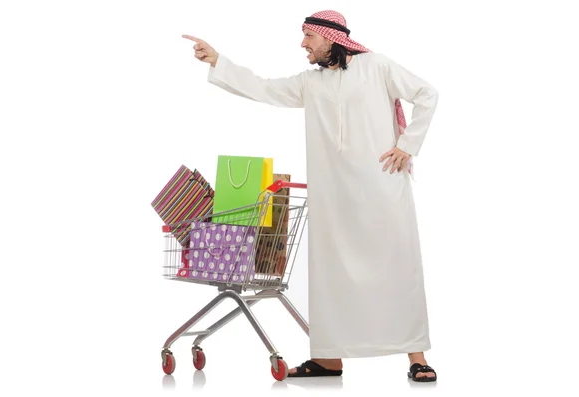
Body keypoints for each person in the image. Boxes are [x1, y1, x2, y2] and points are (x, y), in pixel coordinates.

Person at [183, 9, 439, 382]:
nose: (303, 44)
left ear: (330, 38)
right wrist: (219, 60)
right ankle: (328, 360)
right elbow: (263, 87)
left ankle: (417, 357)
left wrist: (407, 145)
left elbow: (427, 94)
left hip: (382, 190)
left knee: (398, 268)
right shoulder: (310, 82)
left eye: (308, 36)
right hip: (333, 196)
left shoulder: (377, 67)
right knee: (330, 276)